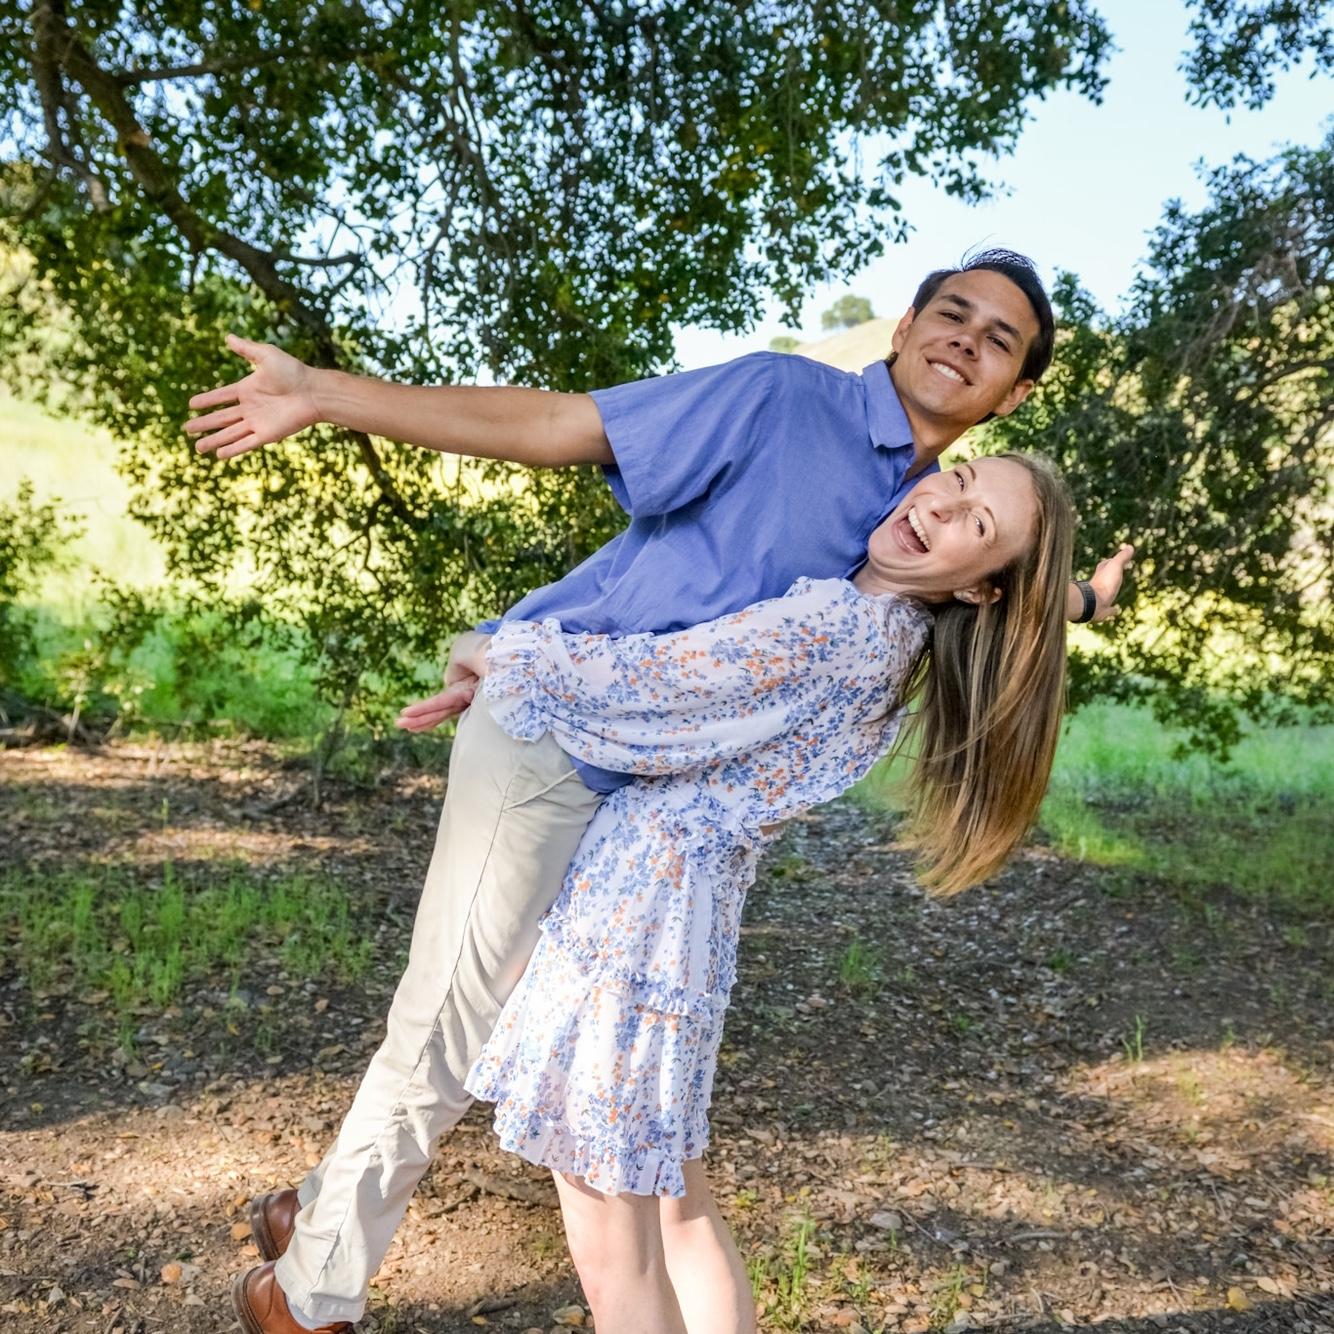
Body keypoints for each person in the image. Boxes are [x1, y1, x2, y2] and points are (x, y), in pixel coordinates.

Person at [185, 250, 1133, 1333]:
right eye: (950, 312)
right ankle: (316, 1293)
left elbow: (1009, 575)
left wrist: (1083, 599)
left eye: (997, 339)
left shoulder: (926, 512)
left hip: (648, 820)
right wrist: (324, 394)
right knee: (450, 1018)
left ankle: (313, 1217)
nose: (964, 338)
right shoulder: (785, 403)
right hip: (556, 739)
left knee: (515, 1053)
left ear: (1012, 393)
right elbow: (560, 424)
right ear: (905, 326)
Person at [448, 450, 1072, 1334]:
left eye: (976, 523)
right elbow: (1033, 596)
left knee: (613, 1233)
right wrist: (1087, 597)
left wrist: (491, 649)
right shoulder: (893, 637)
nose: (941, 506)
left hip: (636, 923)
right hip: (680, 920)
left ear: (981, 589)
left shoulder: (838, 628)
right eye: (960, 478)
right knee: (674, 1203)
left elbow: (650, 687)